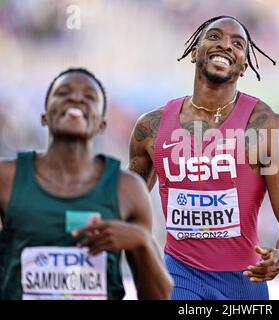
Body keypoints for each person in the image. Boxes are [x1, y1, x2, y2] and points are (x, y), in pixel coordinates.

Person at [129, 16, 279, 300]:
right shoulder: (151, 128)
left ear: (244, 66)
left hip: (246, 281)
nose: (225, 45)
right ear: (194, 52)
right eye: (214, 37)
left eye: (237, 44)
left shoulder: (265, 129)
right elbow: (125, 205)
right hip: (179, 275)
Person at [0, 68, 173, 300]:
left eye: (90, 96)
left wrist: (141, 241)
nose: (76, 98)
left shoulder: (128, 189)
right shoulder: (7, 177)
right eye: (64, 93)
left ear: (102, 124)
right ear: (44, 116)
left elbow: (159, 297)